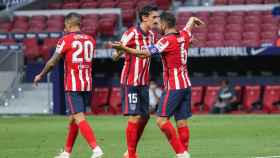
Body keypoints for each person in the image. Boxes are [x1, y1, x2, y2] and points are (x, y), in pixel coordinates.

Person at [111, 12, 204, 158]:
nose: (157, 26)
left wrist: (124, 49)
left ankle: (181, 154)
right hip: (186, 85)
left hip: (174, 86)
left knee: (161, 120)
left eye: (159, 23)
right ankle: (184, 152)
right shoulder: (184, 35)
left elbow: (144, 54)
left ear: (165, 25)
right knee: (181, 122)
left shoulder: (165, 41)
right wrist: (192, 20)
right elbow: (188, 27)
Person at [33, 13, 103, 158]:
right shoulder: (91, 40)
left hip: (73, 84)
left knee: (79, 117)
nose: (64, 29)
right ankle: (66, 152)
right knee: (73, 118)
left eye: (65, 26)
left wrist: (41, 75)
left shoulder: (65, 40)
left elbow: (52, 62)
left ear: (69, 25)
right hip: (87, 83)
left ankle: (96, 148)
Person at [111, 5, 160, 158]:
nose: (157, 20)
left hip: (143, 82)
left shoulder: (152, 35)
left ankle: (130, 151)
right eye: (154, 17)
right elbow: (114, 56)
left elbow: (153, 51)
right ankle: (131, 154)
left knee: (145, 116)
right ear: (144, 18)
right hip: (130, 82)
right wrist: (120, 50)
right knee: (135, 116)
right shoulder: (131, 33)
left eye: (157, 17)